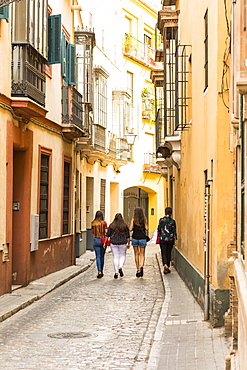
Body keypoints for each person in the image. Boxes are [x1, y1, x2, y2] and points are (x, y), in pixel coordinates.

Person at [104, 213, 130, 279]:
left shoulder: (112, 225)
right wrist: (128, 243)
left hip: (114, 243)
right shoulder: (125, 226)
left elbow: (107, 235)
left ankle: (116, 272)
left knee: (115, 257)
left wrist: (105, 243)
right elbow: (128, 236)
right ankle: (120, 267)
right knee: (122, 256)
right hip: (123, 242)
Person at [129, 207, 148, 277]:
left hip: (135, 238)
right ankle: (141, 266)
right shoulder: (144, 219)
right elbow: (147, 228)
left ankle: (138, 269)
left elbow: (130, 229)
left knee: (136, 254)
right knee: (142, 254)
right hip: (142, 238)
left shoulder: (133, 219)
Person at [157, 207, 177, 274]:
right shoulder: (172, 221)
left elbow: (159, 229)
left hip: (163, 239)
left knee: (164, 252)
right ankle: (167, 266)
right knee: (169, 253)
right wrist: (175, 239)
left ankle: (165, 264)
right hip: (170, 239)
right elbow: (174, 231)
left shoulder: (161, 220)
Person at [91, 210, 107, 279]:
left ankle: (99, 271)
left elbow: (92, 232)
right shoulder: (104, 223)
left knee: (98, 256)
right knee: (102, 256)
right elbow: (106, 232)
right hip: (102, 240)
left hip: (96, 239)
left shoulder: (93, 223)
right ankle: (102, 271)